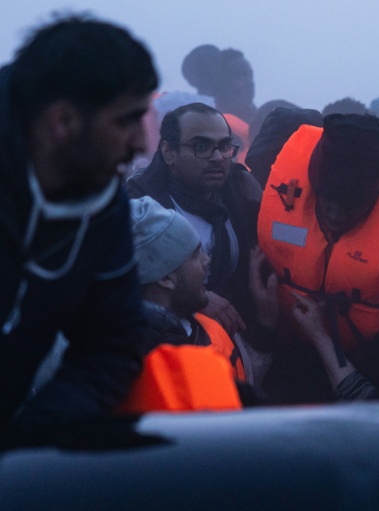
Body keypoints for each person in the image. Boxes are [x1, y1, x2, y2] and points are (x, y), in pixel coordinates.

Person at [0, 15, 158, 424]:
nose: (142, 144)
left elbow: (112, 342)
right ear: (63, 122)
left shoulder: (103, 207)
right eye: (126, 120)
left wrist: (36, 438)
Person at [257, 113, 379, 403]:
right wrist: (266, 322)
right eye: (328, 200)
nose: (335, 213)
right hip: (291, 374)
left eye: (351, 204)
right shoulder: (285, 197)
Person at [125, 103, 266, 350]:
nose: (218, 157)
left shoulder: (241, 191)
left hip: (228, 338)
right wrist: (197, 301)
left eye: (224, 146)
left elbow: (244, 274)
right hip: (157, 345)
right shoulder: (137, 206)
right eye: (201, 147)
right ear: (168, 151)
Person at [129, 196, 277, 396]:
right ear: (166, 278)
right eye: (194, 255)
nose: (207, 260)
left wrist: (265, 320)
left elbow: (243, 388)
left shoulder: (207, 324)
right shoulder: (136, 370)